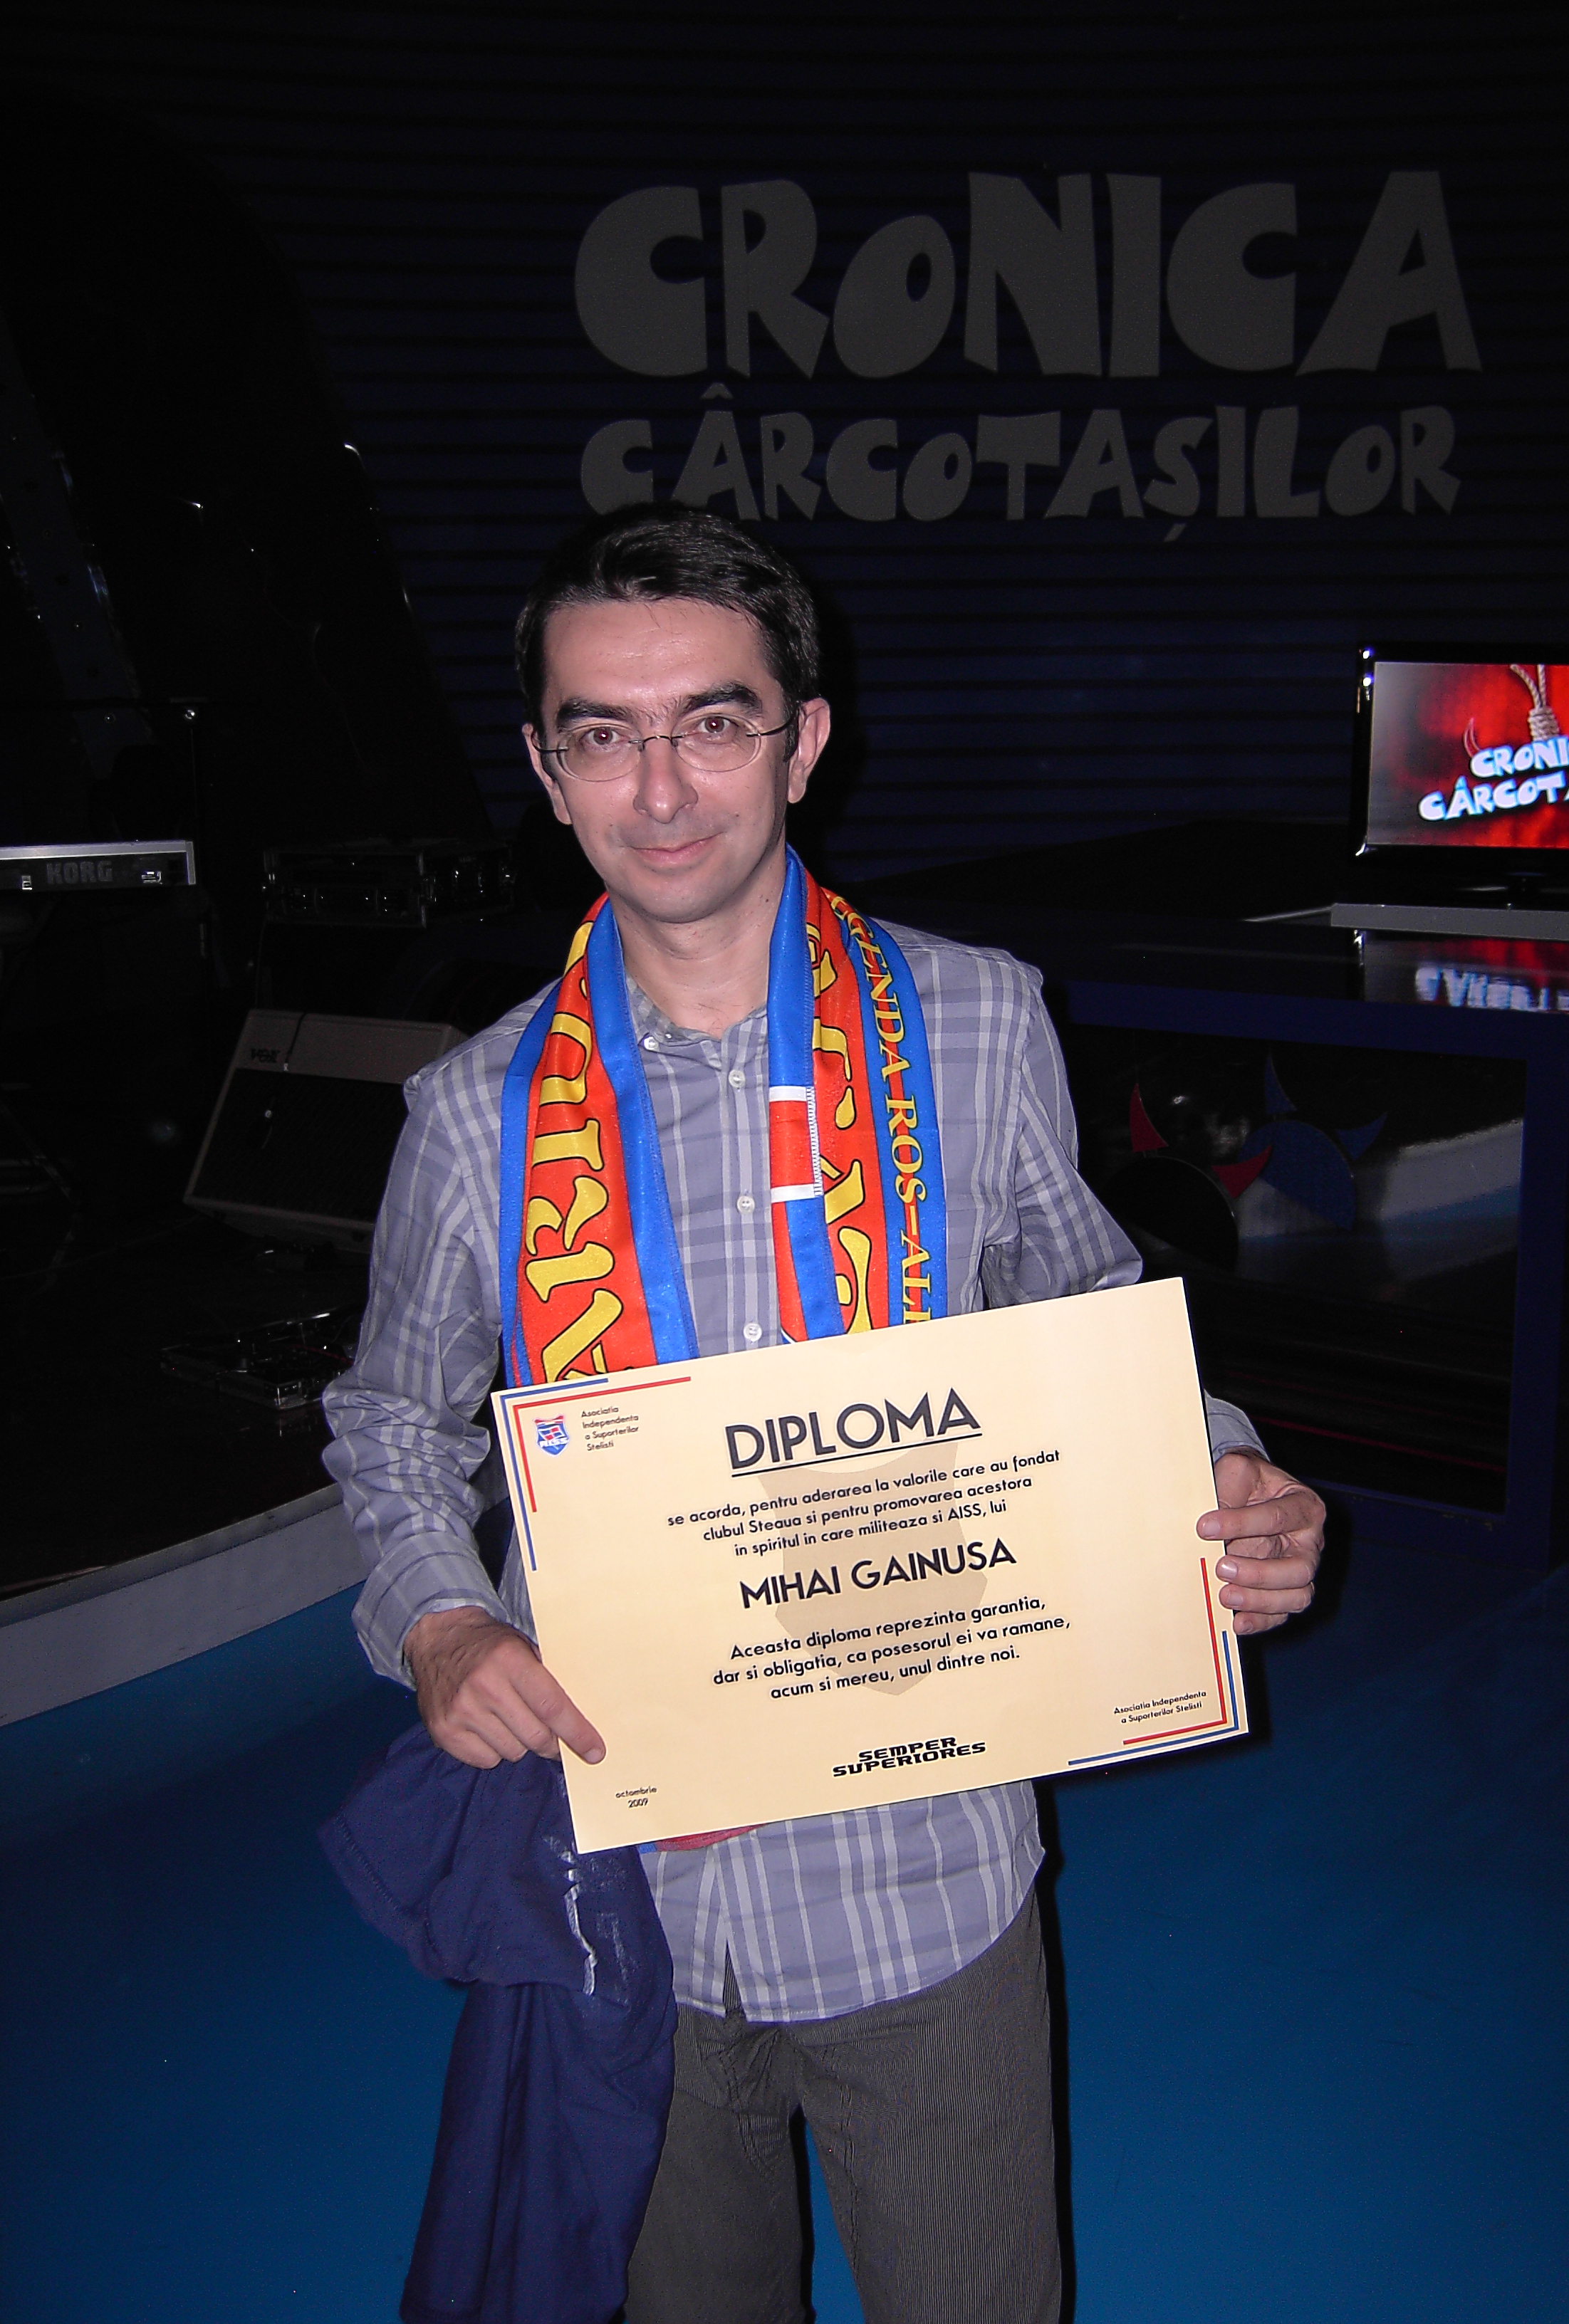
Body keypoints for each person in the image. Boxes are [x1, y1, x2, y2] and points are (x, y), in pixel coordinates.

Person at [323, 507, 1325, 2324]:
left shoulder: (976, 1022)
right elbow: (392, 1421)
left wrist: (1218, 1469)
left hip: (922, 1868)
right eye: (604, 734)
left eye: (712, 721)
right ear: (547, 770)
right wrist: (440, 1621)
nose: (661, 787)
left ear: (802, 740)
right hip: (631, 1878)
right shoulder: (474, 1115)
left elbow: (1086, 1310)